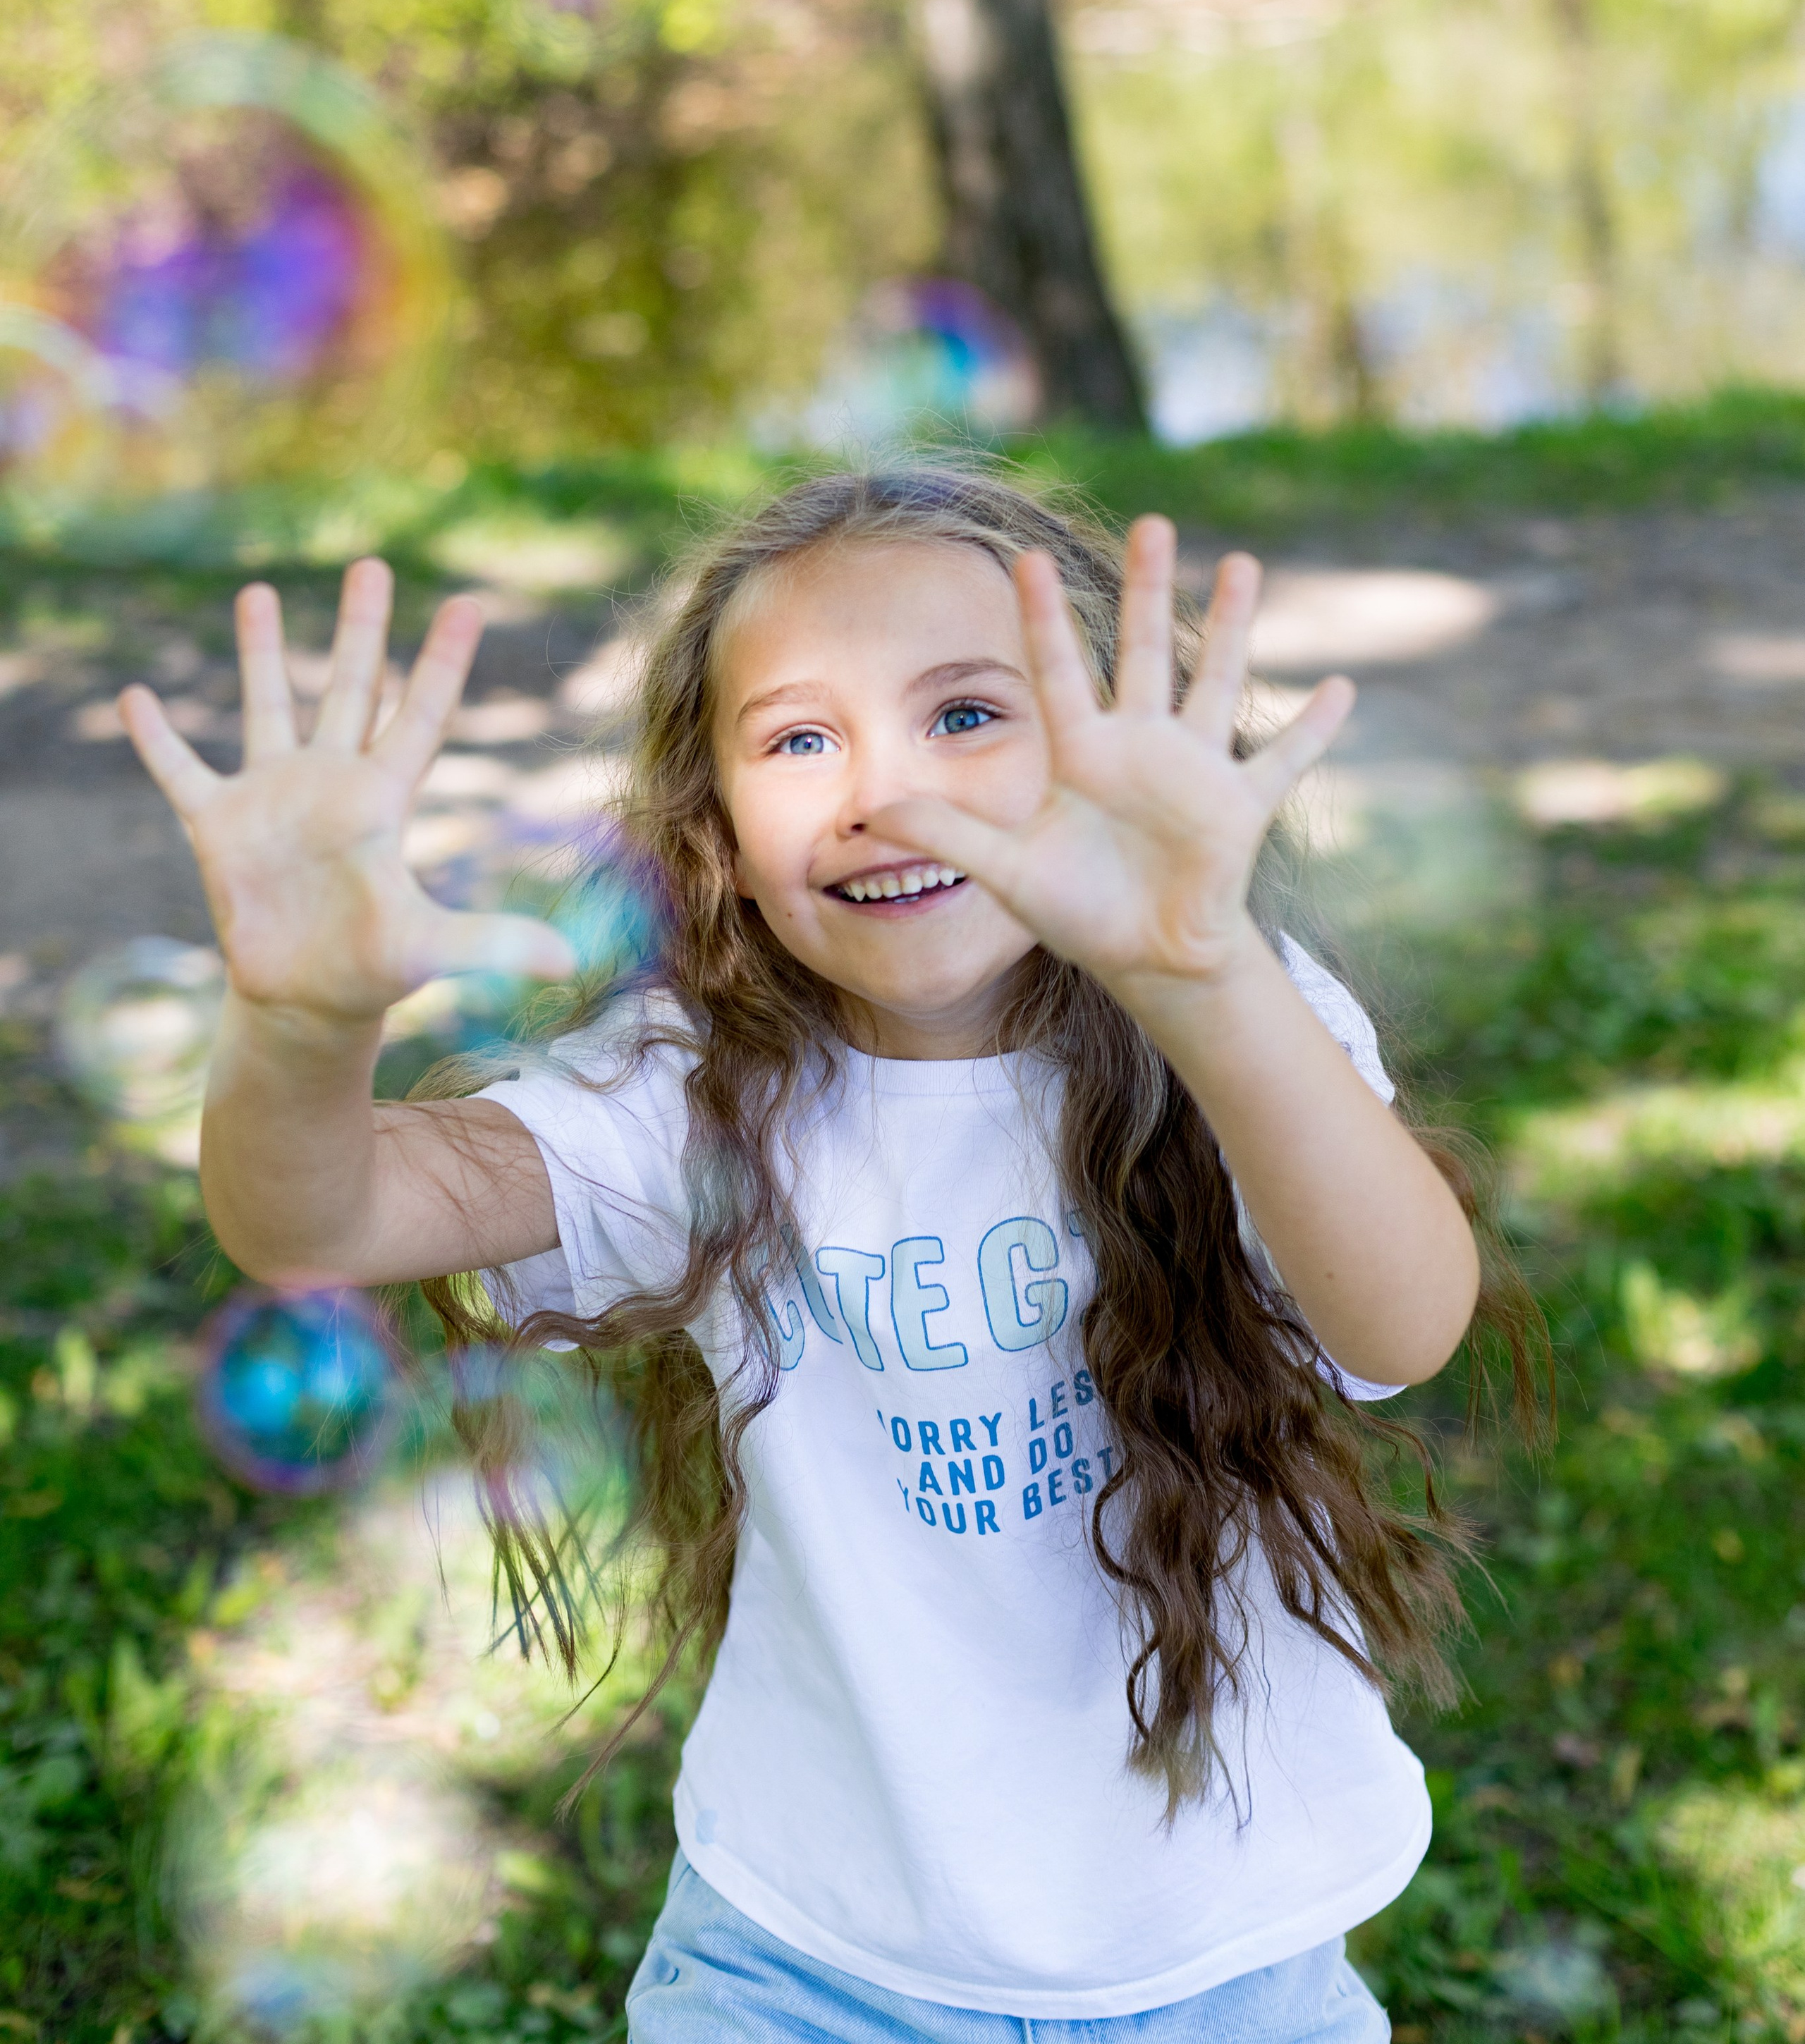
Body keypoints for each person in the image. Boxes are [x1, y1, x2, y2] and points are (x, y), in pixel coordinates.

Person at [123, 464, 1534, 2043]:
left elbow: (1402, 1325)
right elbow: (314, 1216)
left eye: (964, 716)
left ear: (1095, 752)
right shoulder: (687, 1093)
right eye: (799, 739)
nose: (877, 792)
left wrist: (1197, 974)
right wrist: (303, 1024)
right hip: (802, 1965)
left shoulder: (1237, 1023)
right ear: (713, 828)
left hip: (1221, 1961)